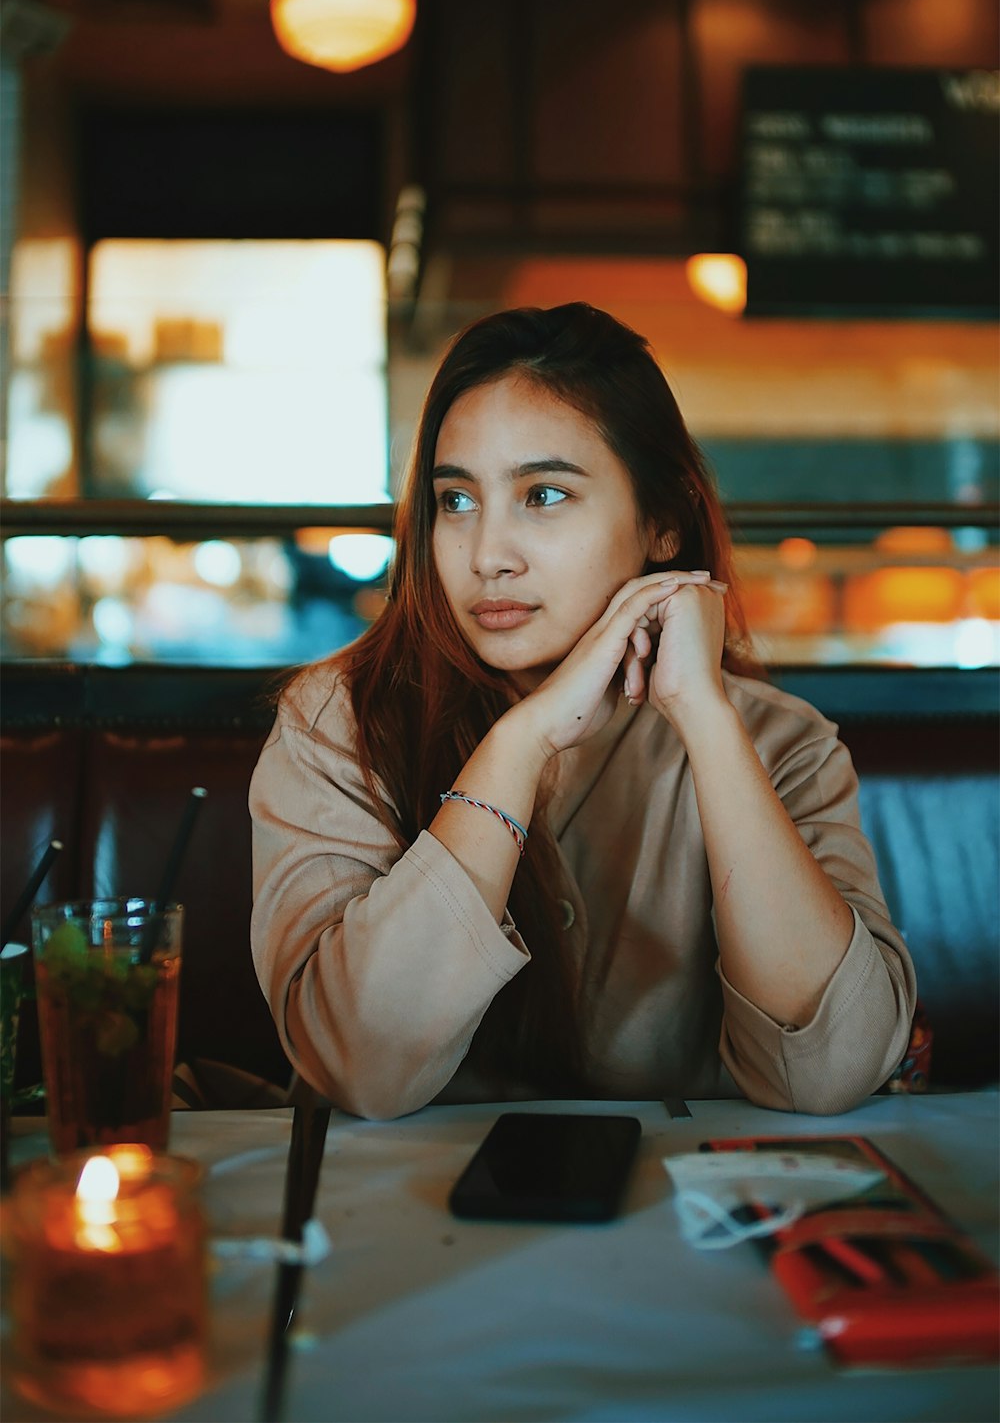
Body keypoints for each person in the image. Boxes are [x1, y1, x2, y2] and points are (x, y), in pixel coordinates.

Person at [250, 303, 916, 1119]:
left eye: (544, 494)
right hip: (397, 1229)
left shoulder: (784, 744)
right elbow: (358, 1067)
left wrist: (704, 718)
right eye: (455, 502)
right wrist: (522, 743)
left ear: (662, 525)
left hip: (681, 1227)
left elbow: (829, 1072)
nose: (488, 555)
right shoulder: (336, 724)